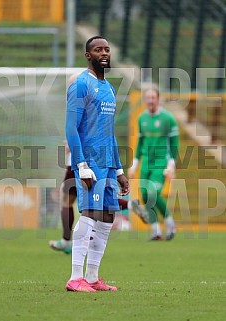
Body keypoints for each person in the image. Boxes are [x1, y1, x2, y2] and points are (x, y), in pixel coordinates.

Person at [64, 36, 129, 292]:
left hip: (109, 164)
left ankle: (92, 277)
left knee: (106, 218)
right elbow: (71, 128)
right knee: (89, 214)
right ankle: (74, 277)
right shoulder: (81, 84)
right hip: (90, 162)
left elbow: (109, 132)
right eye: (97, 49)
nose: (103, 53)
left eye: (106, 49)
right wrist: (81, 165)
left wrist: (120, 169)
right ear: (87, 55)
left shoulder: (109, 89)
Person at [49, 145, 148, 254]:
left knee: (68, 201)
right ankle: (128, 204)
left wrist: (70, 145)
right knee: (100, 199)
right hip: (99, 162)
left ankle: (66, 241)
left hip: (79, 163)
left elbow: (74, 136)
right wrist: (119, 172)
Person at [128, 87, 179, 241]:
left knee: (153, 193)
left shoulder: (168, 118)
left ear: (158, 99)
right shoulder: (141, 118)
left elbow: (174, 144)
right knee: (144, 195)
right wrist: (134, 164)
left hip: (161, 163)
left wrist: (171, 165)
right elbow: (140, 143)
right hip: (146, 164)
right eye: (148, 98)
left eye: (153, 98)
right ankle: (156, 231)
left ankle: (170, 224)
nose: (150, 101)